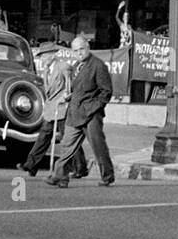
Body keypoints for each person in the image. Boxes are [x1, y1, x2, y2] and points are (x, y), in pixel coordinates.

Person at [46, 35, 114, 188]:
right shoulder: (76, 66)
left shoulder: (98, 65)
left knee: (98, 146)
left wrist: (93, 108)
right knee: (66, 145)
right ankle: (61, 177)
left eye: (81, 49)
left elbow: (106, 92)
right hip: (75, 112)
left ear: (88, 48)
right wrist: (68, 96)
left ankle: (107, 176)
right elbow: (77, 89)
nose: (79, 53)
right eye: (76, 50)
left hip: (91, 115)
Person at [20, 45, 89, 179]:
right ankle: (31, 165)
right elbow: (49, 92)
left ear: (52, 55)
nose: (43, 59)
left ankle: (81, 168)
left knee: (68, 139)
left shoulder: (64, 67)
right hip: (52, 111)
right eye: (41, 56)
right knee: (43, 137)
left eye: (45, 56)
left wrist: (66, 97)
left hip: (64, 110)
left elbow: (71, 87)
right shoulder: (46, 71)